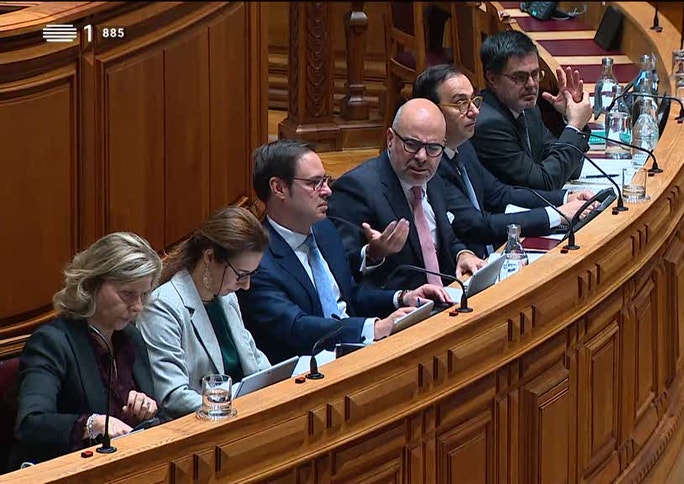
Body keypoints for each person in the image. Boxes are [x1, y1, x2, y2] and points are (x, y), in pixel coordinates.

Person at [238, 140, 451, 364]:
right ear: (279, 188)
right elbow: (296, 327)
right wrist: (373, 327)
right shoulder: (257, 261)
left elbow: (350, 295)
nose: (327, 191)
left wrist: (402, 297)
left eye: (325, 180)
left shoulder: (324, 229)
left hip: (356, 352)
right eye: (314, 183)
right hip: (311, 370)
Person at [412, 64, 599, 258]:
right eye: (461, 103)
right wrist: (558, 214)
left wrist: (565, 198)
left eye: (473, 100)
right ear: (430, 111)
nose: (474, 111)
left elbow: (500, 194)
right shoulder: (429, 164)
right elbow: (475, 225)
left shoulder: (463, 146)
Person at [11, 233, 163, 469]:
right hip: (69, 469)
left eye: (143, 295)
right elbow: (31, 424)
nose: (137, 306)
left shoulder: (130, 337)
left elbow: (139, 418)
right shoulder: (52, 343)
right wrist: (92, 424)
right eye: (127, 294)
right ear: (92, 285)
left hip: (127, 463)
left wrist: (143, 409)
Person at [327, 98, 486, 290]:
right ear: (390, 139)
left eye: (433, 148)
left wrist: (462, 254)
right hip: (400, 304)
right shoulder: (355, 188)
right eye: (411, 144)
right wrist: (372, 254)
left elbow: (444, 237)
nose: (422, 157)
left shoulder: (432, 178)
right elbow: (339, 268)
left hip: (448, 296)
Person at [136, 207, 272, 419]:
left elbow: (254, 360)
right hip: (202, 426)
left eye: (251, 274)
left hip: (245, 415)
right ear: (210, 257)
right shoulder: (162, 307)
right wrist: (232, 408)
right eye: (241, 275)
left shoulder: (227, 297)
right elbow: (173, 396)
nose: (246, 285)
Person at [471, 30, 593, 191]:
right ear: (492, 78)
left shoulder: (528, 109)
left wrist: (569, 117)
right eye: (519, 77)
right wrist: (575, 125)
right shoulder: (488, 124)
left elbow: (569, 170)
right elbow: (543, 185)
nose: (531, 84)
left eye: (535, 74)